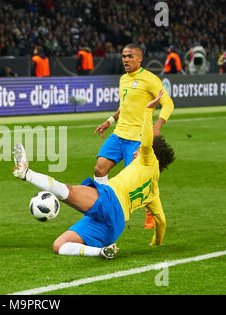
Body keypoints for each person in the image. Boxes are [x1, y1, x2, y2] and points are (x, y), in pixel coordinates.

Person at [13, 90, 175, 259]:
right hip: (115, 226)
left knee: (68, 191)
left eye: (140, 148)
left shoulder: (148, 160)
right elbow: (161, 220)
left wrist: (148, 112)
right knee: (59, 245)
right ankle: (102, 252)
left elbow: (148, 141)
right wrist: (157, 241)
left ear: (152, 153)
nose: (136, 151)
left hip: (110, 200)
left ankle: (26, 173)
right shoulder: (154, 190)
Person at [93, 43, 174, 230]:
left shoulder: (150, 79)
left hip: (138, 138)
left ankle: (151, 213)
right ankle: (104, 206)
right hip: (119, 135)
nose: (126, 60)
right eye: (123, 56)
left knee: (139, 181)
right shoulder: (123, 79)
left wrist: (157, 126)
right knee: (99, 169)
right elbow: (125, 105)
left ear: (140, 59)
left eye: (130, 56)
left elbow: (168, 103)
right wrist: (109, 120)